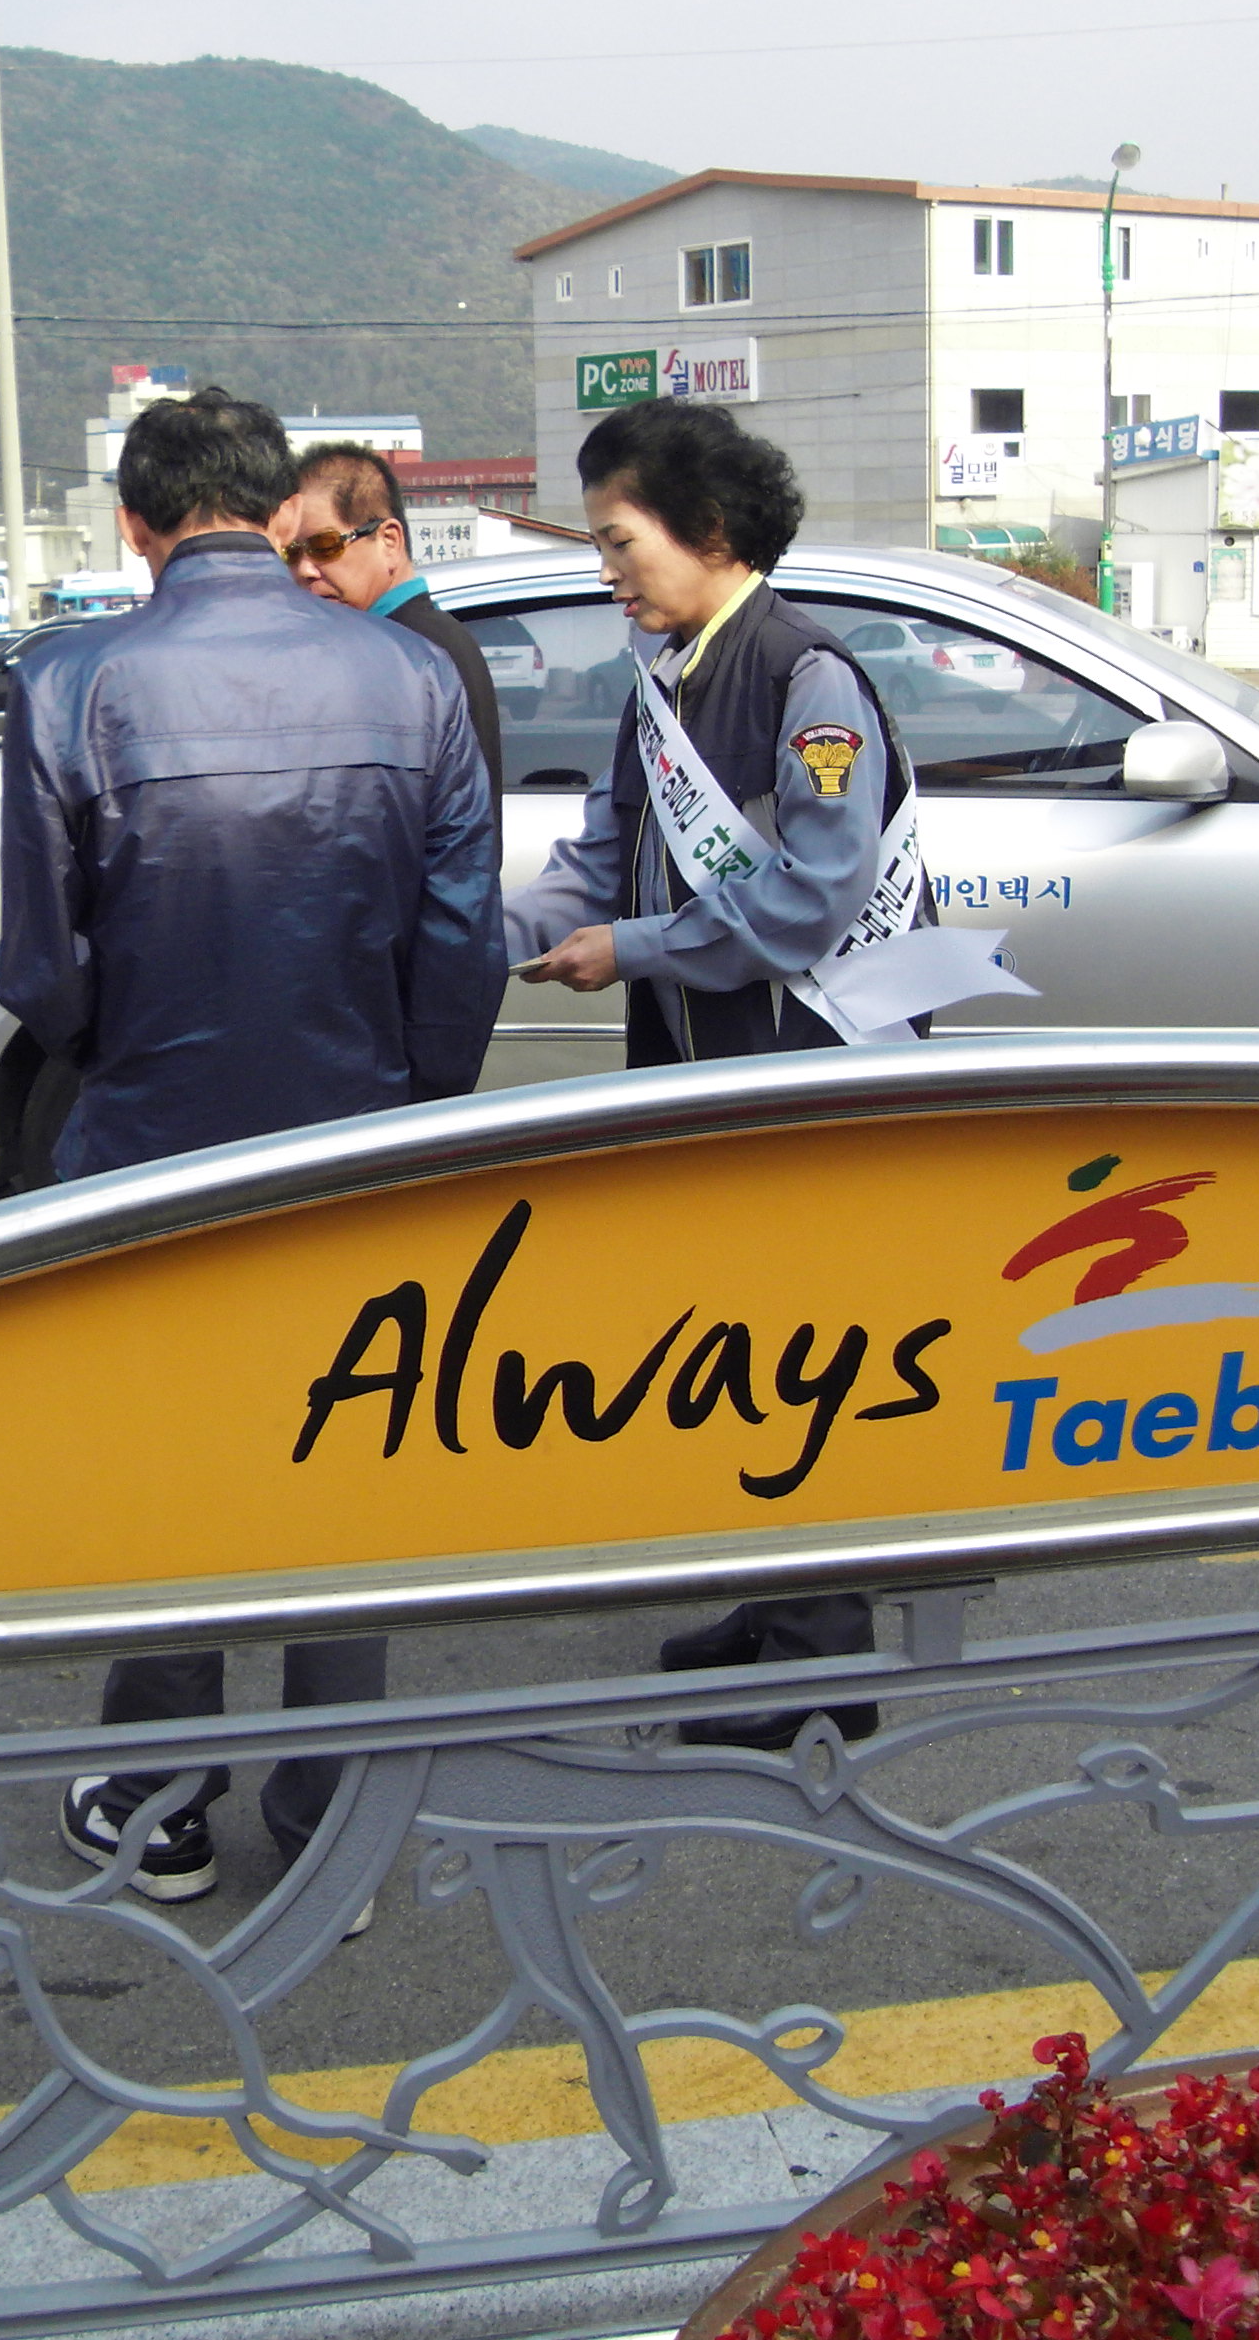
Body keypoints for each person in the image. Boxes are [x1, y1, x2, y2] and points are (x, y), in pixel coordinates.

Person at [0, 384, 497, 1920]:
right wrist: (406, 1099)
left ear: (134, 524)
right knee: (351, 1461)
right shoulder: (411, 676)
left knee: (174, 1470)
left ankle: (160, 1805)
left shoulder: (69, 683)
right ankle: (331, 1816)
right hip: (357, 1142)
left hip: (151, 1146)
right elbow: (461, 946)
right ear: (279, 513)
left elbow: (42, 972)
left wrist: (126, 1057)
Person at [498, 396, 942, 1752]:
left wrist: (630, 949)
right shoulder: (668, 673)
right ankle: (772, 1607)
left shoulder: (806, 678)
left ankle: (822, 1664)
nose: (606, 570)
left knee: (805, 1353)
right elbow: (601, 854)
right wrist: (480, 941)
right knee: (740, 1348)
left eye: (619, 541)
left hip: (805, 1077)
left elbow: (811, 898)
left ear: (708, 529)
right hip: (707, 1073)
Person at [270, 444, 502, 808]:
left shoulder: (413, 653)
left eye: (324, 546)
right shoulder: (429, 639)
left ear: (389, 541)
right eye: (291, 553)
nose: (305, 570)